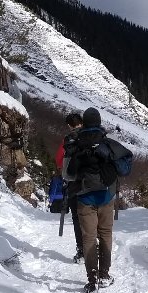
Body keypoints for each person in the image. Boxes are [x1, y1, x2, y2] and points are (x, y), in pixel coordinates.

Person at [62, 106, 116, 293]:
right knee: (106, 234)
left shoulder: (74, 143)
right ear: (99, 122)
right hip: (106, 196)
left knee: (89, 237)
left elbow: (67, 175)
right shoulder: (107, 143)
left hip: (84, 198)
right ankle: (104, 275)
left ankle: (92, 280)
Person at [55, 112, 84, 262]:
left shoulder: (67, 140)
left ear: (69, 125)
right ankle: (95, 245)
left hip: (74, 184)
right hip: (94, 183)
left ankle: (82, 250)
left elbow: (59, 161)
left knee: (77, 218)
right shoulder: (93, 136)